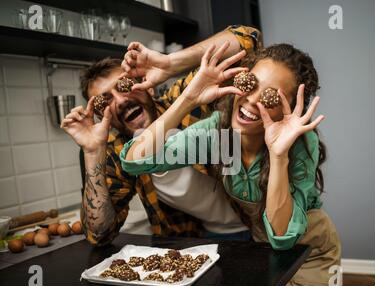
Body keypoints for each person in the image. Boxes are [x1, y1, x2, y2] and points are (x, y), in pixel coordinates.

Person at [121, 42, 341, 286]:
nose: (251, 100)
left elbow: (283, 236)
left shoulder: (301, 144)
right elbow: (135, 161)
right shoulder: (220, 135)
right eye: (250, 84)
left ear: (288, 111)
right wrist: (187, 99)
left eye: (270, 97)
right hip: (264, 252)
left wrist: (278, 155)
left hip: (309, 253)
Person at [61, 25, 263, 245]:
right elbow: (99, 235)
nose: (120, 101)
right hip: (208, 237)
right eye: (105, 101)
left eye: (124, 85)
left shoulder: (184, 97)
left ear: (148, 87)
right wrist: (92, 152)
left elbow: (248, 38)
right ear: (102, 117)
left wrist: (170, 63)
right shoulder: (118, 150)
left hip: (263, 220)